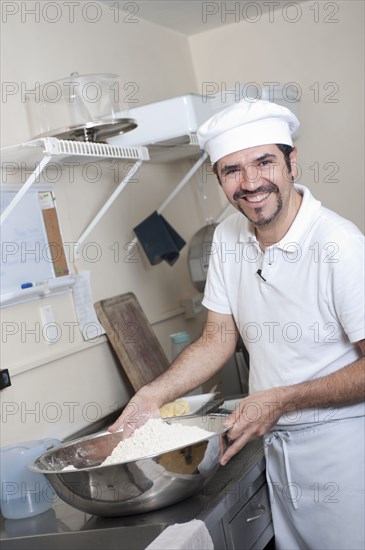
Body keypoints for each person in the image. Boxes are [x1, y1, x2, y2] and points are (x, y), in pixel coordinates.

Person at [109, 99, 365, 549]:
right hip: (277, 447)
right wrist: (153, 395)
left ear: (291, 163)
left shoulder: (339, 245)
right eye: (232, 170)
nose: (250, 183)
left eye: (264, 161)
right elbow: (217, 338)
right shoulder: (229, 235)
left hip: (343, 451)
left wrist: (280, 400)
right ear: (218, 178)